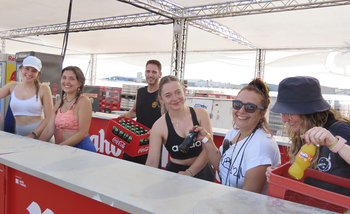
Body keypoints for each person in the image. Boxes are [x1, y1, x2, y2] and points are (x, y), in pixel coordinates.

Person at [266, 76, 350, 196]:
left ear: (308, 112)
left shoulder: (340, 130)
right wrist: (279, 171)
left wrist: (335, 144)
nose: (284, 119)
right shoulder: (302, 130)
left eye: (288, 113)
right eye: (282, 113)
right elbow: (298, 164)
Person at [194, 78, 280, 193]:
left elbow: (248, 196)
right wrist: (206, 139)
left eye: (250, 107)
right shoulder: (234, 132)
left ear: (263, 113)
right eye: (237, 105)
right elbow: (222, 165)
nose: (241, 111)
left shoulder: (261, 145)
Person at [146, 75, 215, 182]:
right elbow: (152, 163)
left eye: (178, 92)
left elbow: (208, 149)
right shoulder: (159, 126)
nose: (175, 98)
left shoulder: (201, 114)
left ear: (184, 91)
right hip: (176, 174)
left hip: (203, 172)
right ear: (161, 99)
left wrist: (189, 172)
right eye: (168, 95)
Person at [39, 66, 96, 152]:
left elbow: (82, 133)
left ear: (80, 83)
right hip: (65, 149)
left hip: (81, 150)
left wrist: (59, 147)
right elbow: (49, 129)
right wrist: (37, 145)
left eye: (72, 79)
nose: (66, 82)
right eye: (64, 78)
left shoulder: (84, 101)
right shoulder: (60, 102)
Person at [118, 60, 163, 164]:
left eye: (154, 72)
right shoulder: (140, 91)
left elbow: (168, 118)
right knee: (127, 166)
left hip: (153, 142)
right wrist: (125, 115)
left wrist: (156, 131)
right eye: (148, 71)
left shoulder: (163, 94)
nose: (150, 75)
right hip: (135, 138)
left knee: (148, 173)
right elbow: (135, 111)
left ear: (160, 74)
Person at [0, 56, 53, 138]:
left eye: (34, 71)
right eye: (27, 69)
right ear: (21, 68)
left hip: (40, 135)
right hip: (20, 134)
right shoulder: (12, 86)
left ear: (38, 73)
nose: (29, 73)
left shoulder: (43, 89)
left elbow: (49, 117)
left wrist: (33, 134)